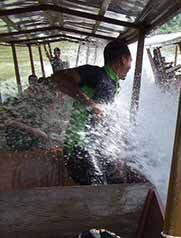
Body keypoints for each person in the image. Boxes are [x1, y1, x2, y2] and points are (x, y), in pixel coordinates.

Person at [52, 39, 133, 185]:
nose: (130, 66)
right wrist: (92, 104)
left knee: (117, 182)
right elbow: (58, 78)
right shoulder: (97, 74)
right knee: (99, 188)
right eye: (130, 60)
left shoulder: (112, 83)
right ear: (123, 59)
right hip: (79, 149)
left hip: (95, 148)